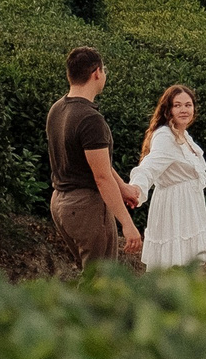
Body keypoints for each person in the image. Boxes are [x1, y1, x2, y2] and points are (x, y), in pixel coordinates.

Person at [46, 46, 141, 266]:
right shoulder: (90, 119)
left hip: (60, 203)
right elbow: (101, 177)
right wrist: (127, 224)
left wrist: (123, 187)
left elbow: (96, 162)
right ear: (96, 72)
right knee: (99, 283)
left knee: (89, 277)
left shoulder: (57, 109)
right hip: (85, 206)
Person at [128, 84, 206, 270]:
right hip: (175, 207)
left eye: (188, 105)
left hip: (191, 207)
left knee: (194, 265)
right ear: (168, 109)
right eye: (177, 105)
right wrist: (136, 187)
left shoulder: (183, 135)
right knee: (174, 264)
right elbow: (149, 166)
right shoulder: (165, 136)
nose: (184, 109)